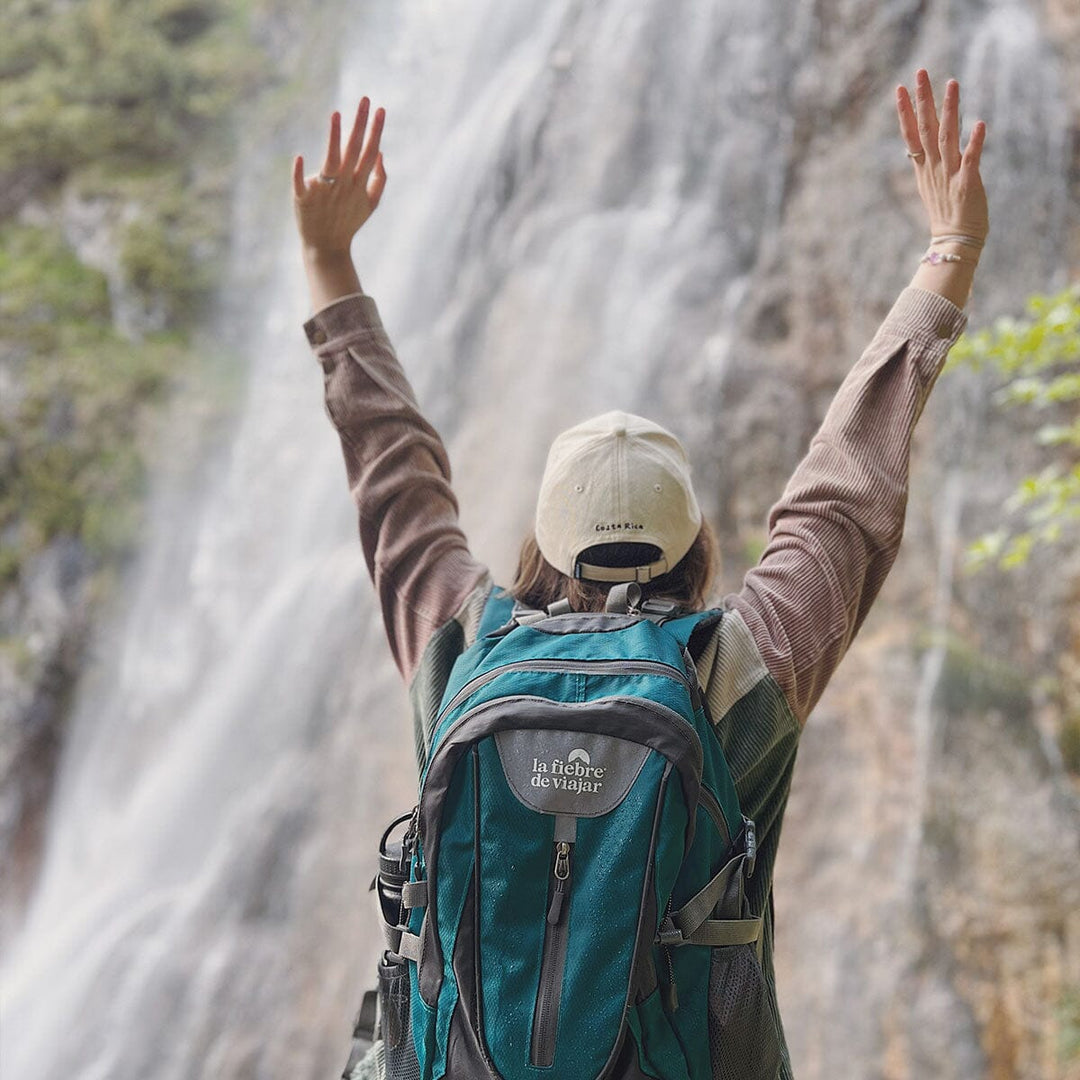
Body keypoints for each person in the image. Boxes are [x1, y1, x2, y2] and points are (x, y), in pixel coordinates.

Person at [292, 70, 988, 1080]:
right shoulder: (737, 673)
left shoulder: (460, 649)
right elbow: (846, 496)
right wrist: (949, 256)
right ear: (693, 542)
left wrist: (327, 264)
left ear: (541, 541)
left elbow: (392, 475)